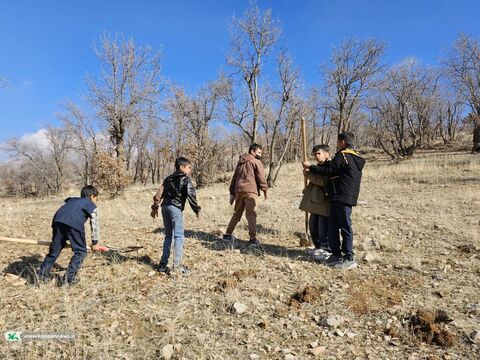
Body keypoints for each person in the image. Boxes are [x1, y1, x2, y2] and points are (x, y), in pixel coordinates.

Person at [302, 132, 365, 269]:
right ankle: (336, 254)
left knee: (345, 226)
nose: (337, 144)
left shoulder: (344, 156)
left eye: (338, 141)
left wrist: (310, 168)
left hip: (342, 195)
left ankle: (349, 257)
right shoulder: (352, 157)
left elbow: (329, 170)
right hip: (338, 196)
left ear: (342, 142)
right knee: (333, 226)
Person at [38, 185, 102, 284]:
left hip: (57, 222)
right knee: (80, 252)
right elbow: (95, 224)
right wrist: (95, 242)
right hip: (74, 224)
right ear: (92, 196)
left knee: (54, 251)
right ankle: (68, 279)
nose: (96, 201)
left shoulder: (71, 200)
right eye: (96, 198)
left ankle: (41, 277)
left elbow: (65, 211)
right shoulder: (90, 204)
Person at [151, 157, 201, 274]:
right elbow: (191, 194)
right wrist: (197, 209)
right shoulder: (185, 179)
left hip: (164, 207)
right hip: (175, 209)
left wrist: (154, 208)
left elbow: (158, 195)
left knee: (168, 236)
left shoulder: (168, 179)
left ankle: (163, 265)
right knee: (179, 236)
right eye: (188, 168)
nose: (190, 170)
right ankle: (177, 267)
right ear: (182, 167)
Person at [223, 143, 268, 247]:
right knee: (251, 214)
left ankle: (227, 234)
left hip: (239, 191)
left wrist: (232, 193)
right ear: (252, 151)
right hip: (251, 191)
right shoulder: (256, 161)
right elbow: (261, 177)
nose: (260, 155)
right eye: (259, 152)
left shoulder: (240, 162)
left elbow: (234, 178)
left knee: (237, 214)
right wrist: (265, 190)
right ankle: (253, 239)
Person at [299, 144, 331, 260]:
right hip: (315, 202)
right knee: (313, 225)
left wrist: (308, 174)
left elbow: (323, 181)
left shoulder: (329, 166)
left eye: (319, 153)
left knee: (323, 228)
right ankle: (318, 247)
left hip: (324, 202)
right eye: (315, 154)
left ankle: (326, 249)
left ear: (327, 154)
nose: (316, 156)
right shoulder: (318, 166)